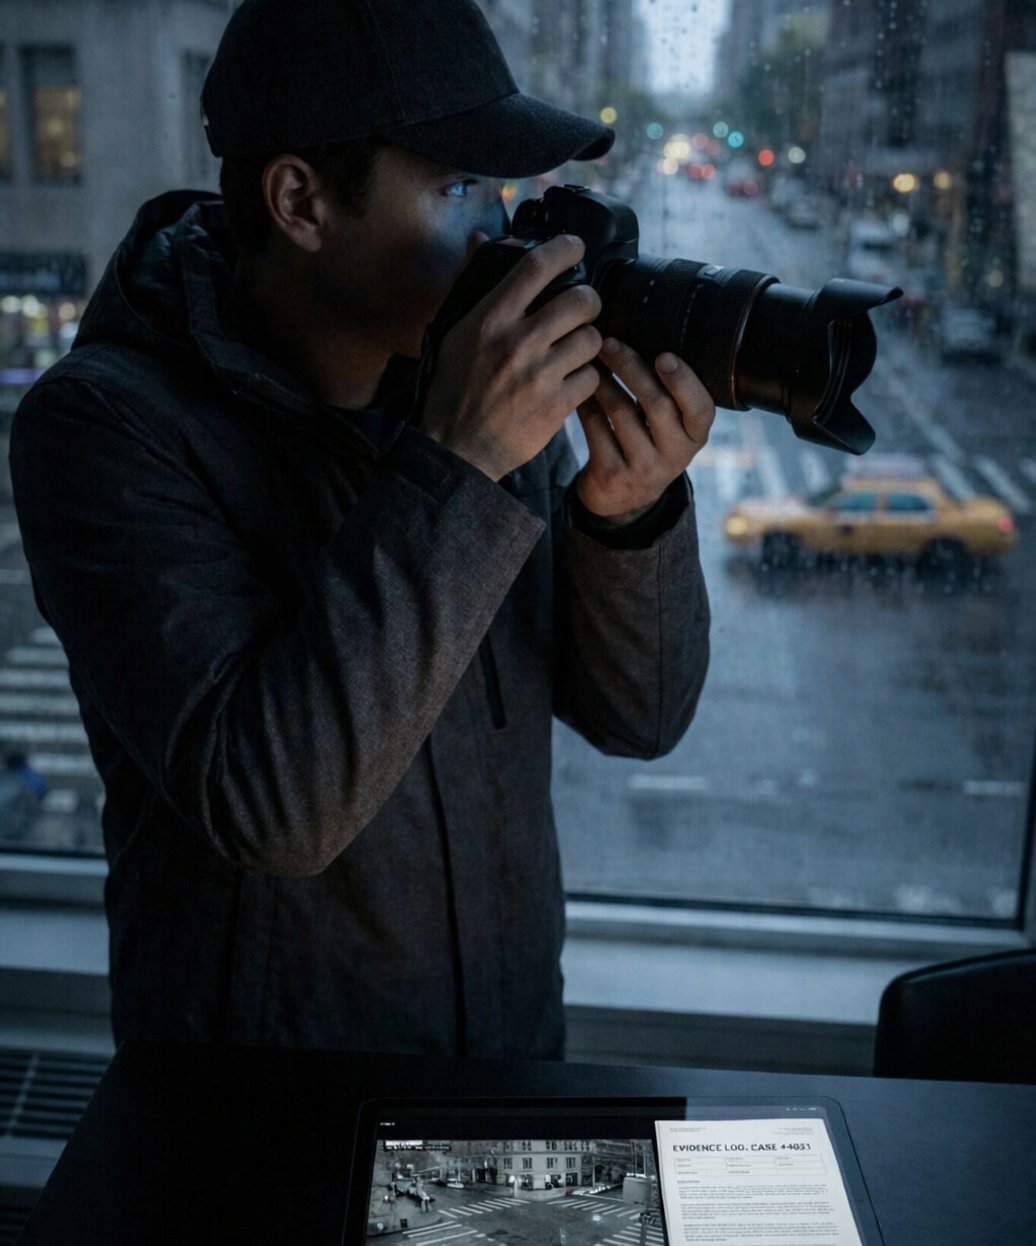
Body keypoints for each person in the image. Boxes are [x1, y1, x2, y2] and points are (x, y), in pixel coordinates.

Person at [9, 0, 712, 1057]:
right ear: (299, 199)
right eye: (457, 187)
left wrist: (629, 517)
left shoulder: (467, 383)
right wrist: (459, 463)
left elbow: (640, 717)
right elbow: (274, 805)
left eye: (504, 191)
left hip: (502, 1078)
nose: (502, 237)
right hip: (258, 1129)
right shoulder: (106, 425)